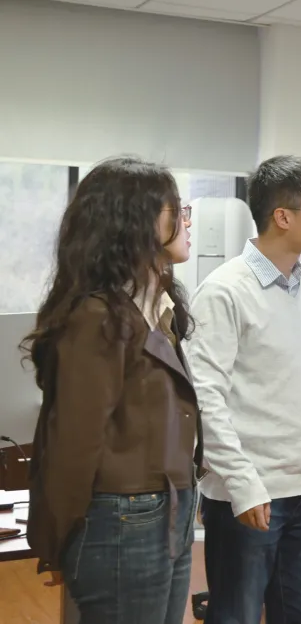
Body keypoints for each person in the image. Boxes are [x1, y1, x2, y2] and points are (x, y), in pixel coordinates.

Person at [22, 157, 201, 624]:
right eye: (176, 209)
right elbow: (73, 443)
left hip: (170, 508)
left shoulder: (155, 305)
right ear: (135, 221)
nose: (188, 220)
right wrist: (57, 539)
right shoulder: (98, 316)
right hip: (125, 519)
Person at [186, 155, 301, 624]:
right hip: (250, 493)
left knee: (299, 614)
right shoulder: (224, 291)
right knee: (237, 615)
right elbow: (204, 398)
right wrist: (242, 485)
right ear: (283, 217)